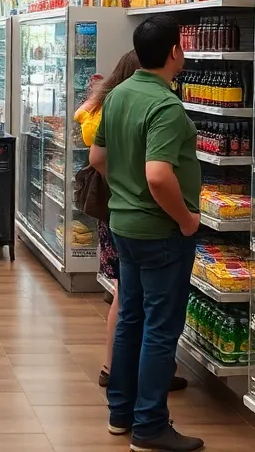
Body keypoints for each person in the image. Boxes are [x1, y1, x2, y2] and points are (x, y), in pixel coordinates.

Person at [89, 15, 202, 452]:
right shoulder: (166, 106)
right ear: (174, 51)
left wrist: (125, 189)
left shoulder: (117, 95)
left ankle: (121, 413)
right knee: (160, 326)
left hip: (123, 225)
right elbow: (158, 176)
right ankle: (151, 427)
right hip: (161, 231)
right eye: (183, 45)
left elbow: (98, 156)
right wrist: (186, 219)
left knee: (131, 316)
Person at [75, 53, 187, 396]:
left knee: (125, 297)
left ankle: (120, 381)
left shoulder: (109, 103)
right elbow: (148, 171)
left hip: (116, 213)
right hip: (137, 215)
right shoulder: (142, 106)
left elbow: (95, 151)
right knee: (136, 303)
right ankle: (128, 377)